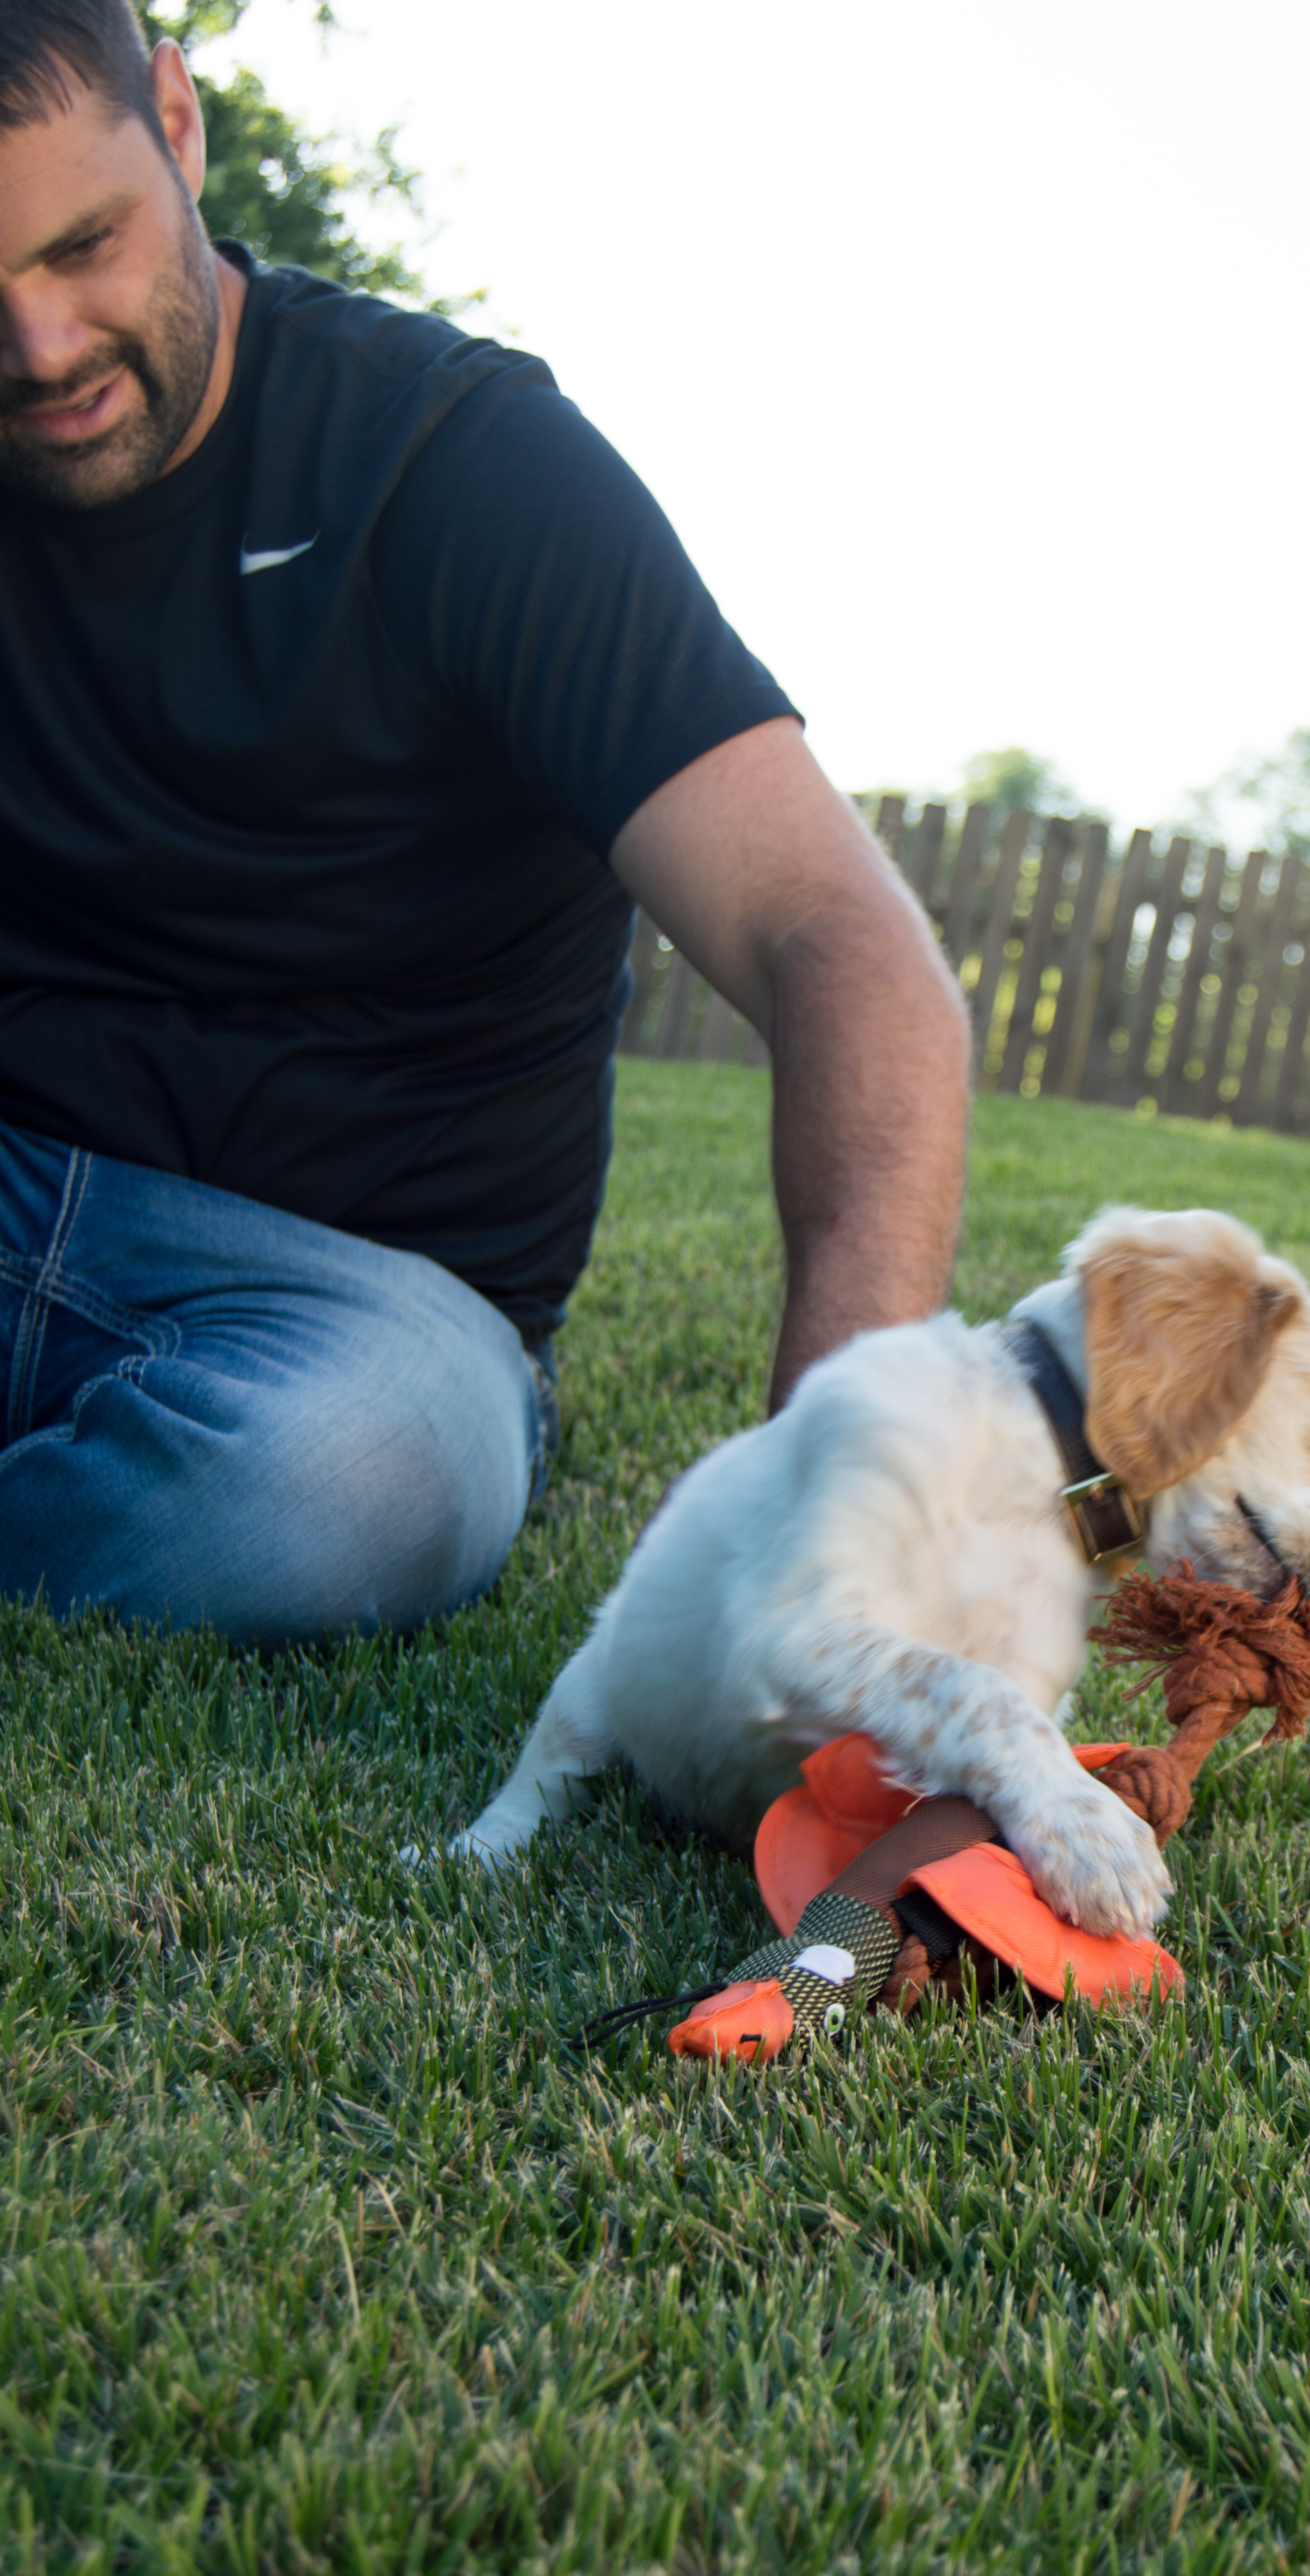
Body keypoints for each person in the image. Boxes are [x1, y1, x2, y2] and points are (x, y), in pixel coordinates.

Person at [0, 0, 970, 1644]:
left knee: (346, 1484)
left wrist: (832, 1518)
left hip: (358, 1317)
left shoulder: (459, 466)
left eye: (83, 246)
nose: (39, 348)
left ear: (178, 118)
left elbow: (840, 944)